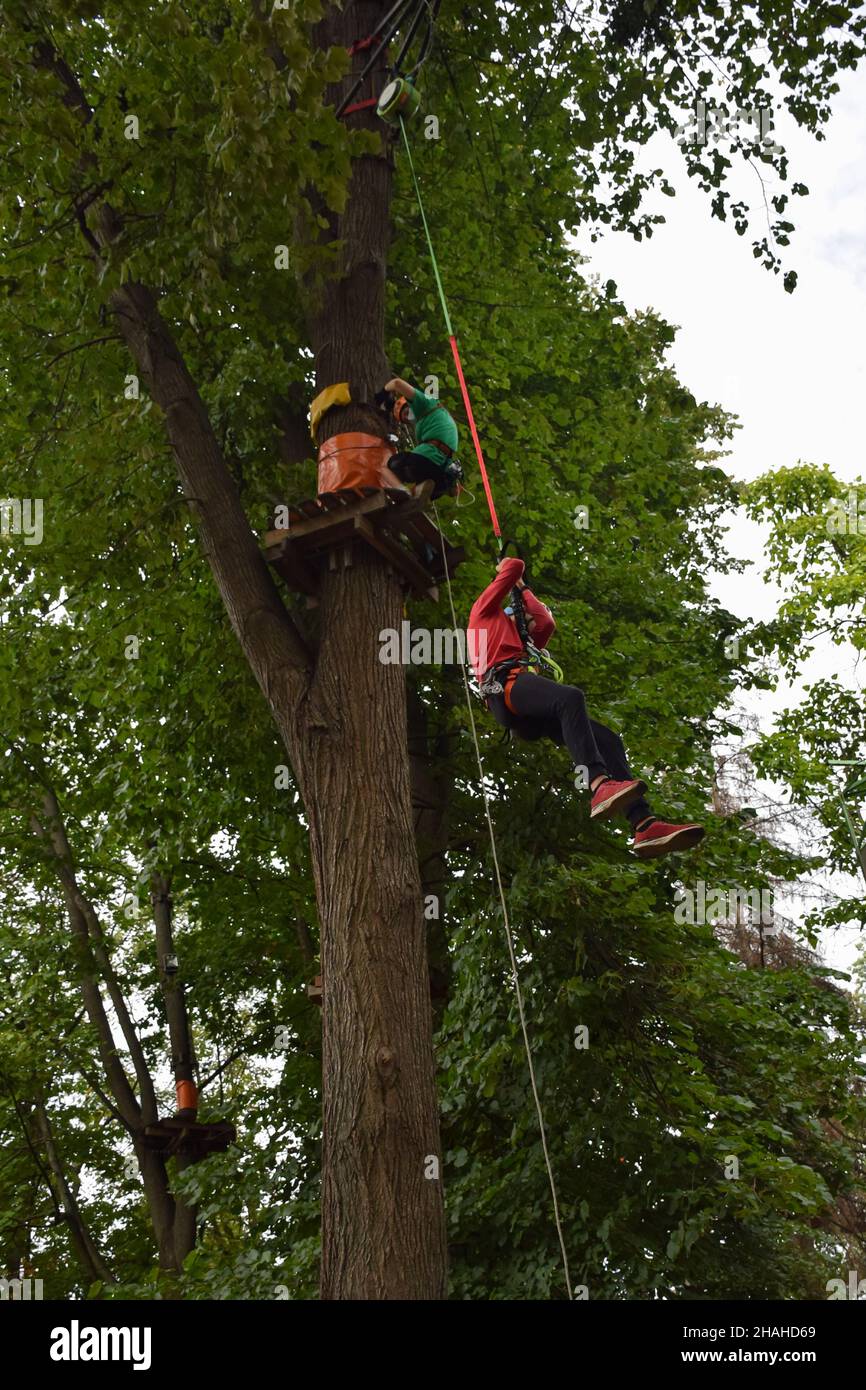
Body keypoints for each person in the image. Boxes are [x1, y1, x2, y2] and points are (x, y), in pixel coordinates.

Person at [468, 556, 706, 859]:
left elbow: (545, 622)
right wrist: (510, 574)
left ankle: (644, 824)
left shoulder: (521, 641)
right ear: (511, 615)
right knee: (570, 697)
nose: (530, 624)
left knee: (607, 740)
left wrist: (524, 591)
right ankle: (598, 784)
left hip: (525, 700)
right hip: (504, 688)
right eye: (523, 618)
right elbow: (514, 566)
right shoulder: (483, 615)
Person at [377, 375, 463, 499]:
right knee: (420, 485)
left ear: (410, 404)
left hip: (426, 461)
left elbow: (397, 383)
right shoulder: (429, 421)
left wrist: (383, 392)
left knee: (383, 467)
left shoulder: (425, 402)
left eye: (406, 412)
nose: (407, 418)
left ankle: (402, 491)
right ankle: (415, 492)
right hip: (440, 471)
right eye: (404, 419)